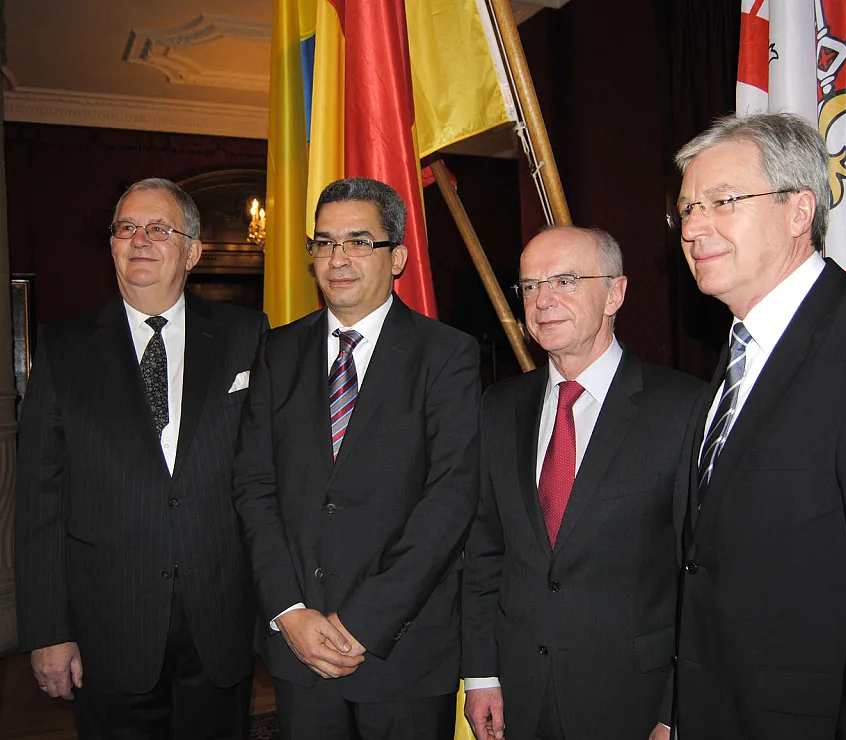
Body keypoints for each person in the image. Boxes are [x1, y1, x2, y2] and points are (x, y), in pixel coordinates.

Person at [673, 112, 846, 739]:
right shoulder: (736, 357)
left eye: (721, 201)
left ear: (799, 211)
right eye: (687, 209)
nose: (694, 228)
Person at [15, 177, 267, 738]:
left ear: (193, 251)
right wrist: (46, 629)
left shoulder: (246, 335)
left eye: (159, 228)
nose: (140, 239)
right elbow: (39, 500)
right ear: (111, 246)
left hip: (221, 618)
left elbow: (265, 477)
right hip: (110, 621)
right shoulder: (63, 348)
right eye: (126, 227)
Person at [232, 176, 480, 740]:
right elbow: (253, 488)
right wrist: (289, 612)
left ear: (398, 257)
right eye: (323, 242)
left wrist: (362, 623)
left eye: (359, 241)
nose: (337, 257)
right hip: (300, 645)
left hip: (404, 650)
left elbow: (449, 501)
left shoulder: (447, 355)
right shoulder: (275, 352)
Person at [461, 226, 704, 740]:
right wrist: (481, 673)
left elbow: (700, 575)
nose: (543, 300)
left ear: (615, 292)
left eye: (565, 280)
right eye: (529, 286)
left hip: (633, 701)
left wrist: (675, 709)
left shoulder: (684, 408)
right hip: (519, 698)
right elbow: (484, 551)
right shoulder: (498, 408)